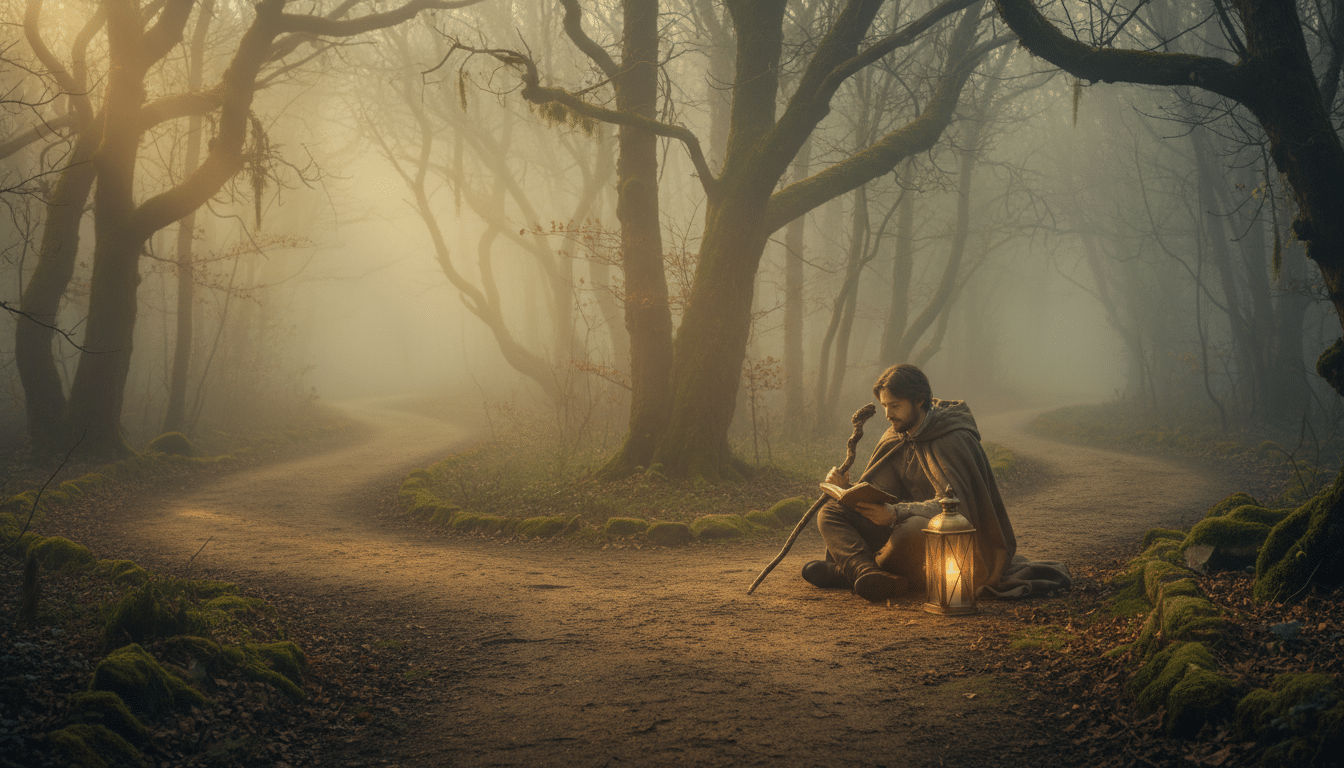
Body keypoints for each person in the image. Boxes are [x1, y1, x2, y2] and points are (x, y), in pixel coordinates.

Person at [803, 364, 1019, 602]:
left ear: (919, 401)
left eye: (894, 406)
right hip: (894, 530)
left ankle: (847, 572)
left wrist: (895, 513)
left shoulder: (953, 438)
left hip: (941, 539)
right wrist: (846, 490)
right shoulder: (896, 436)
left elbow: (955, 508)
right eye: (885, 406)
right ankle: (864, 572)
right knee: (831, 512)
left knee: (914, 529)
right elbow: (880, 492)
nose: (888, 414)